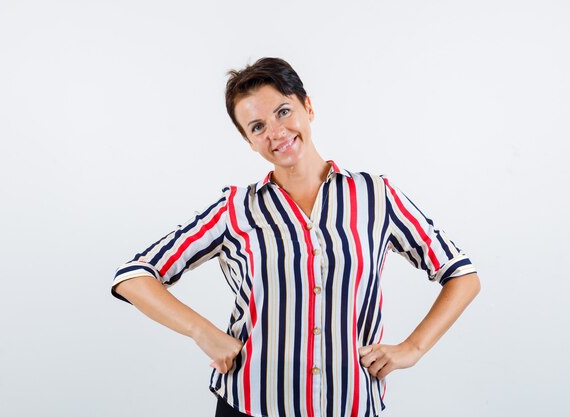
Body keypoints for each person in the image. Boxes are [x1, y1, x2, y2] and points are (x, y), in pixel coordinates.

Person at [111, 57, 481, 417]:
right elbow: (134, 276)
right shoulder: (235, 209)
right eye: (256, 127)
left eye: (283, 111)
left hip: (348, 405)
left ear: (308, 107)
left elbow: (461, 274)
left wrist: (413, 348)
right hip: (252, 404)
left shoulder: (375, 197)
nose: (275, 132)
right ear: (249, 142)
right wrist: (201, 331)